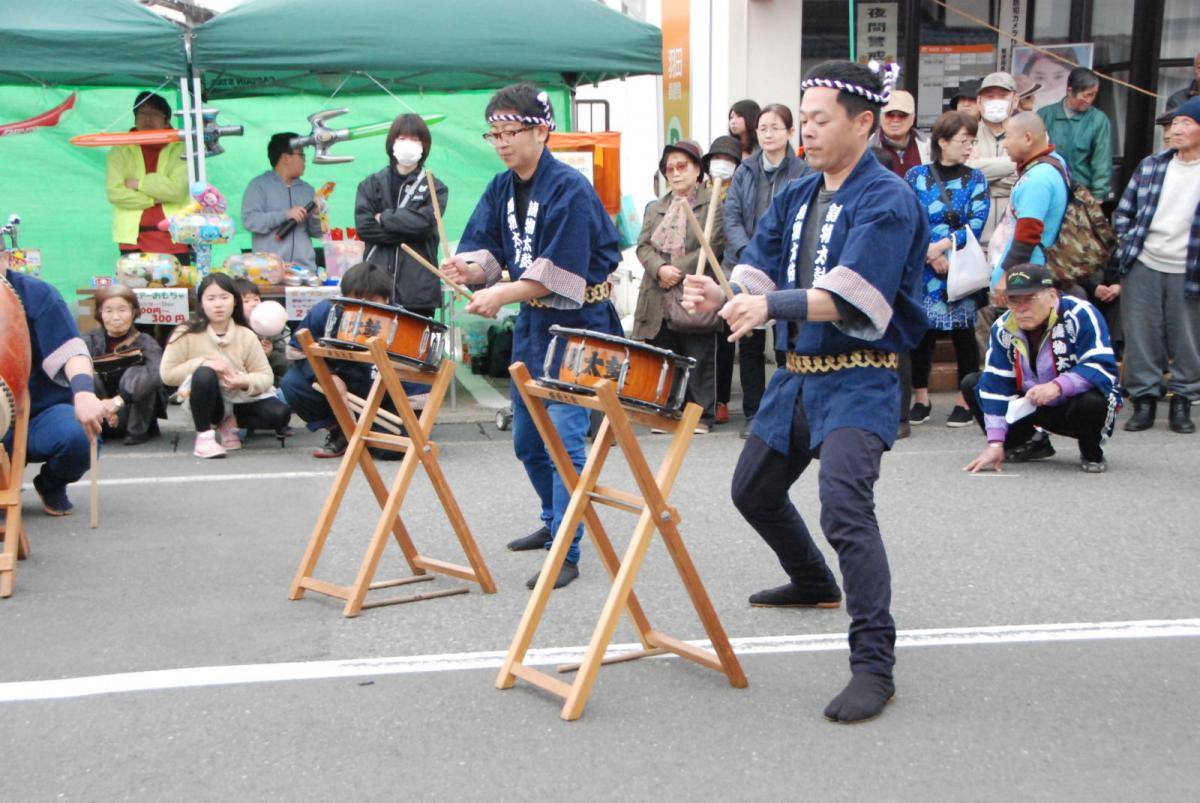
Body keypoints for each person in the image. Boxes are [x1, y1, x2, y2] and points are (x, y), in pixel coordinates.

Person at [682, 60, 928, 723]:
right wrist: (723, 296)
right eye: (805, 117)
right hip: (797, 376)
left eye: (820, 119)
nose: (807, 130)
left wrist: (765, 308)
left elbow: (853, 296)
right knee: (751, 490)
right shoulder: (796, 193)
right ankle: (814, 581)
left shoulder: (888, 198)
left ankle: (874, 662)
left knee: (845, 506)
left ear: (864, 123)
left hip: (862, 376)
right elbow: (758, 275)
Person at [440, 83, 624, 591]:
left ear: (542, 131)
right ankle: (551, 519)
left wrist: (500, 293)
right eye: (494, 133)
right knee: (526, 440)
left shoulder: (570, 188)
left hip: (581, 326)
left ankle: (568, 546)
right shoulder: (502, 187)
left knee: (565, 439)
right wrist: (468, 268)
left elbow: (555, 273)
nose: (501, 142)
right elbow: (488, 250)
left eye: (511, 132)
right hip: (534, 326)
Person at [963, 264, 1119, 473]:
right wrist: (995, 443)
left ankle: (1091, 450)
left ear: (1052, 295)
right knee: (974, 383)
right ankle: (1027, 442)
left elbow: (1101, 365)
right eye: (1014, 301)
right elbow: (995, 384)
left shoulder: (1081, 313)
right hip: (1031, 401)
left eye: (1029, 299)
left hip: (1074, 402)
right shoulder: (1002, 327)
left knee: (1093, 401)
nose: (1021, 308)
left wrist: (1058, 386)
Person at [723, 104, 813, 436]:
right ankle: (753, 413)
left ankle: (784, 411)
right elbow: (731, 216)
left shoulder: (804, 171)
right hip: (748, 263)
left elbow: (805, 218)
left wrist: (776, 255)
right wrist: (749, 253)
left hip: (787, 268)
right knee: (748, 341)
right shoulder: (745, 170)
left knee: (784, 341)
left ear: (790, 132)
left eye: (776, 127)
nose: (768, 133)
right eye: (763, 128)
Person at [1112, 97, 1200, 434]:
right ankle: (1144, 399)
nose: (1176, 129)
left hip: (1189, 267)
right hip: (1144, 261)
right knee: (1141, 335)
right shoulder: (1152, 165)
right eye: (1175, 124)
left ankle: (1183, 399)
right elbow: (1124, 211)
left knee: (1188, 338)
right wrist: (1128, 239)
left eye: (1186, 123)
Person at [632, 140, 724, 432]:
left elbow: (715, 244)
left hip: (694, 287)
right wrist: (660, 268)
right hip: (658, 289)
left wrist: (678, 270)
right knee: (664, 354)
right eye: (669, 168)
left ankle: (701, 415)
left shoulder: (713, 203)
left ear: (697, 169)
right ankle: (667, 413)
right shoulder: (656, 207)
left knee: (697, 353)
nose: (675, 173)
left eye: (682, 166)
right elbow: (643, 246)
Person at [905, 111, 990, 428]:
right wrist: (927, 253)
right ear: (942, 141)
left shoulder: (976, 179)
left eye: (972, 140)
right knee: (921, 334)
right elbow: (908, 218)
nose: (968, 146)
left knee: (964, 334)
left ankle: (964, 399)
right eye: (962, 140)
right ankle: (921, 397)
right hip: (923, 267)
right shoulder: (915, 176)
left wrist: (941, 247)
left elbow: (976, 223)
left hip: (960, 265)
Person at [2, 269, 106, 516]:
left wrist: (83, 393)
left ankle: (51, 483)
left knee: (79, 435)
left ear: (5, 256)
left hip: (40, 413)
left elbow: (70, 350)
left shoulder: (36, 293)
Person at [160, 273, 291, 459]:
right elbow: (167, 374)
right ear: (201, 303)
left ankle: (231, 422)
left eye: (224, 297)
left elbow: (265, 375)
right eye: (211, 298)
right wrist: (204, 364)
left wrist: (244, 381)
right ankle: (204, 437)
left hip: (240, 398)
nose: (218, 304)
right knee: (205, 373)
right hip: (207, 399)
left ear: (234, 302)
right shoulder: (186, 332)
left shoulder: (246, 334)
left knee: (280, 413)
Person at [280, 262, 395, 458]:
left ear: (386, 299)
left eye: (371, 301)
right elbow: (299, 351)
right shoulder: (326, 311)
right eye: (355, 302)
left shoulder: (401, 321)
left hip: (383, 395)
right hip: (338, 388)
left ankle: (362, 431)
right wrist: (328, 376)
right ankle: (340, 429)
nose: (362, 309)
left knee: (387, 451)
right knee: (293, 383)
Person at [355, 114, 448, 318]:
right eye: (402, 138)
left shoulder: (435, 187)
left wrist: (385, 218)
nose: (409, 144)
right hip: (375, 286)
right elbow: (364, 228)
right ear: (391, 143)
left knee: (415, 348)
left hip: (418, 289)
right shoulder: (370, 184)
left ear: (425, 145)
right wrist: (408, 229)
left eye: (415, 139)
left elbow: (425, 225)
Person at [106, 92, 190, 264]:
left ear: (166, 121)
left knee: (178, 289)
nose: (147, 119)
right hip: (132, 239)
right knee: (133, 290)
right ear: (135, 119)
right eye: (142, 114)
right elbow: (115, 193)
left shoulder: (181, 148)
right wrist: (154, 199)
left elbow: (176, 190)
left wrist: (139, 184)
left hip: (175, 237)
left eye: (154, 114)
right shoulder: (120, 149)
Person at [82, 284, 164, 446]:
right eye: (109, 311)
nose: (116, 317)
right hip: (99, 413)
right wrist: (104, 406)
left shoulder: (145, 341)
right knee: (84, 374)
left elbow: (158, 373)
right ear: (100, 313)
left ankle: (135, 431)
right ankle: (96, 426)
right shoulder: (88, 340)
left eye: (122, 310)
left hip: (134, 415)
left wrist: (118, 401)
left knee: (138, 372)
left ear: (134, 312)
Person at [240, 132, 323, 270]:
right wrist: (285, 215)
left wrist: (316, 214)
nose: (305, 159)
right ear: (285, 158)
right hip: (269, 272)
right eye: (301, 154)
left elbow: (318, 232)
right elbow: (250, 221)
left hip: (304, 271)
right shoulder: (258, 186)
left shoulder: (308, 190)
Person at [1038, 68, 1113, 201]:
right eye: (1085, 95)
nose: (1089, 100)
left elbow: (1102, 161)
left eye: (1093, 95)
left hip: (1082, 193)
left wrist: (1098, 194)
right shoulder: (1044, 115)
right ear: (1069, 91)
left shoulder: (1098, 120)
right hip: (1048, 189)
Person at [233, 278, 289, 386]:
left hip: (271, 384)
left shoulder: (271, 330)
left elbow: (287, 366)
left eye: (256, 299)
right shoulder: (233, 330)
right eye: (246, 301)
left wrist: (271, 354)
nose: (254, 304)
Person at [869, 90, 930, 177]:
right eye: (890, 114)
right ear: (880, 117)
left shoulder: (929, 146)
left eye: (903, 115)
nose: (896, 119)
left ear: (912, 118)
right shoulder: (865, 146)